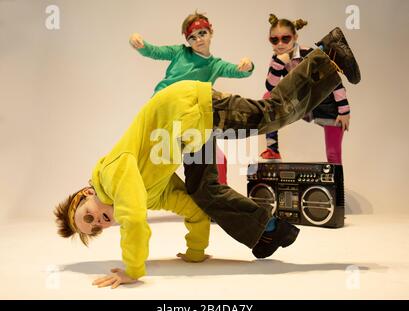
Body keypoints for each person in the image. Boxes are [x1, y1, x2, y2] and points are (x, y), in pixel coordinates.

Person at [54, 27, 360, 289]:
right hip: (186, 133)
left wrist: (133, 270)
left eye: (88, 216)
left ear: (87, 194)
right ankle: (269, 230)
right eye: (95, 229)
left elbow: (134, 219)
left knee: (273, 113)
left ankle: (325, 52)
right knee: (203, 192)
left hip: (188, 109)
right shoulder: (149, 193)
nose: (99, 222)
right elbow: (192, 210)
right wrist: (195, 252)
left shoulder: (112, 173)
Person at [129, 11, 254, 185]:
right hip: (164, 107)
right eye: (192, 37)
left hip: (189, 116)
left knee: (218, 158)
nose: (198, 40)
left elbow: (238, 71)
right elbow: (155, 51)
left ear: (211, 32)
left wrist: (247, 65)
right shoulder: (180, 52)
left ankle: (219, 196)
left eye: (202, 33)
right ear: (187, 40)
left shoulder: (215, 65)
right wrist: (139, 43)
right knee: (151, 156)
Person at [260, 14, 352, 164]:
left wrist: (344, 111)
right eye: (274, 40)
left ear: (295, 37)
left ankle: (336, 184)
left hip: (325, 103)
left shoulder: (309, 54)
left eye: (285, 38)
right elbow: (272, 88)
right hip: (302, 102)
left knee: (333, 154)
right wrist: (279, 63)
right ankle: (272, 149)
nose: (280, 44)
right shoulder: (277, 59)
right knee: (267, 97)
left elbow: (335, 81)